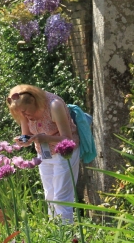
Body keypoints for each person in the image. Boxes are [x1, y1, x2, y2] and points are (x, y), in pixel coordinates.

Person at [7, 84, 80, 223]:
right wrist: (23, 140)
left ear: (33, 100)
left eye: (25, 111)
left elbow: (68, 139)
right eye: (20, 113)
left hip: (65, 153)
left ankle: (67, 237)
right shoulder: (22, 109)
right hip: (44, 154)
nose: (24, 115)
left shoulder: (54, 105)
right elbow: (26, 134)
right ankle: (55, 233)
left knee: (61, 198)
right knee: (50, 196)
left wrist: (46, 138)